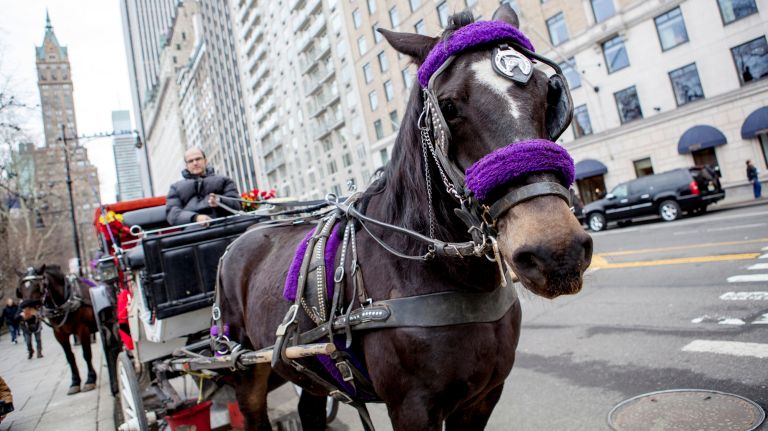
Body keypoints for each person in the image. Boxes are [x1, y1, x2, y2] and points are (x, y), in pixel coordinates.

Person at [166, 148, 240, 226]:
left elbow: (237, 204)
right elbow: (172, 214)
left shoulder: (224, 180)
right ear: (186, 166)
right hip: (193, 230)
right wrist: (195, 218)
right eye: (190, 161)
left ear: (205, 161)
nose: (195, 163)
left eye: (198, 159)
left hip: (224, 224)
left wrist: (220, 201)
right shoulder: (175, 188)